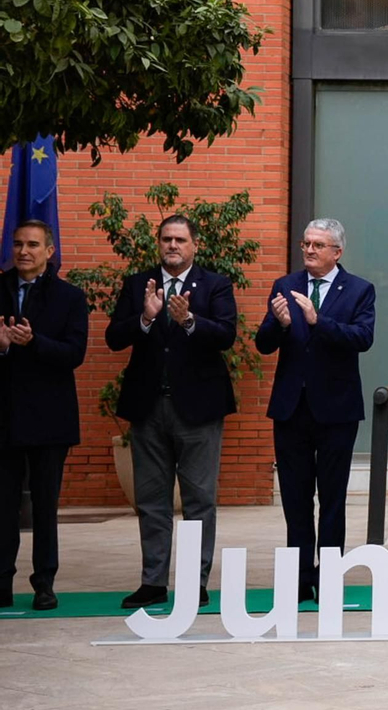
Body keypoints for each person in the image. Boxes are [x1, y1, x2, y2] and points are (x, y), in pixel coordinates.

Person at [106, 214, 237, 609]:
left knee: (199, 499)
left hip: (198, 410)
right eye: (166, 239)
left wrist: (190, 320)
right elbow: (114, 337)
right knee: (151, 500)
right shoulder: (137, 285)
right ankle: (153, 582)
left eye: (180, 239)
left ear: (195, 245)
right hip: (148, 408)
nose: (173, 246)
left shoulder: (215, 284)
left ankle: (195, 581)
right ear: (158, 243)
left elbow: (226, 335)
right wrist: (146, 317)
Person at [255, 219, 375, 600]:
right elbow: (263, 344)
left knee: (333, 498)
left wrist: (316, 321)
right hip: (292, 408)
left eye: (318, 245)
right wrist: (280, 322)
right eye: (306, 243)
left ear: (337, 252)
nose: (309, 250)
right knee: (295, 496)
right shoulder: (284, 286)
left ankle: (329, 576)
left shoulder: (359, 289)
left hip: (336, 410)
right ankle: (299, 576)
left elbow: (362, 338)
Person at [0, 220, 88, 611]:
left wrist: (34, 342)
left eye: (33, 245)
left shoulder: (69, 297)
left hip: (50, 419)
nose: (24, 252)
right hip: (4, 417)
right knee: (2, 505)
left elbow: (74, 354)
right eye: (18, 244)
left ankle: (44, 584)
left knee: (45, 507)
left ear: (49, 251)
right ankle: (2, 582)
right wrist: (2, 347)